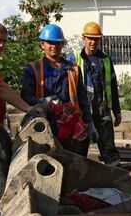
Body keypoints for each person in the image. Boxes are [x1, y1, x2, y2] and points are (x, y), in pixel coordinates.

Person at [20, 23, 96, 153]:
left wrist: (90, 124)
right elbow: (25, 97)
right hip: (45, 127)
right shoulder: (33, 69)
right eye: (50, 42)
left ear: (62, 44)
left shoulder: (73, 69)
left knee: (74, 166)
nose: (54, 46)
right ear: (42, 44)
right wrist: (42, 102)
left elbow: (83, 100)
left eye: (58, 43)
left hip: (71, 126)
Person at [67, 22, 122, 166]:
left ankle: (115, 180)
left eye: (96, 39)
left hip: (102, 111)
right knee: (78, 151)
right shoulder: (74, 59)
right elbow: (67, 87)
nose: (93, 42)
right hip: (81, 113)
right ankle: (78, 182)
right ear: (83, 38)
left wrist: (117, 111)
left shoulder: (105, 59)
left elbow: (113, 86)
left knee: (109, 150)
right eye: (90, 38)